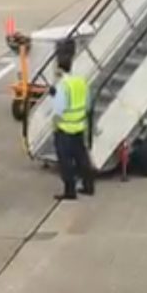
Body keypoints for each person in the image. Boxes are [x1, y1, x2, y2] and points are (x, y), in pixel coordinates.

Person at [51, 50, 95, 201]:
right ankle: (89, 186)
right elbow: (88, 105)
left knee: (65, 161)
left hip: (65, 130)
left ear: (59, 68)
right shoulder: (81, 82)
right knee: (82, 158)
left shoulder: (63, 86)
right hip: (79, 127)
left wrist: (55, 126)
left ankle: (70, 191)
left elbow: (59, 110)